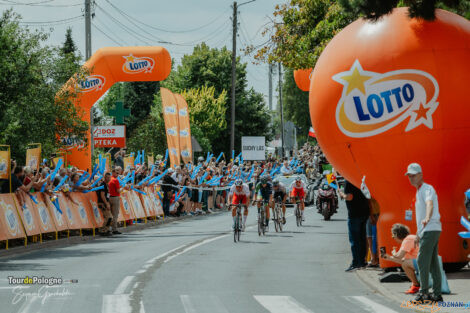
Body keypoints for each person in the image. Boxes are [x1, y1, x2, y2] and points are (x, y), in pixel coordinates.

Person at [405, 163, 442, 303]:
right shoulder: (420, 190)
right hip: (429, 230)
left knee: (421, 260)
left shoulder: (427, 188)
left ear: (421, 175)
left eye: (413, 175)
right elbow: (421, 216)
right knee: (432, 262)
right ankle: (437, 294)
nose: (411, 178)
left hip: (430, 228)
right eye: (409, 176)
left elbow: (429, 204)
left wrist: (427, 217)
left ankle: (424, 293)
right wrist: (418, 234)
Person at [339, 180, 369, 272]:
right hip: (364, 212)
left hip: (354, 214)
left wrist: (342, 194)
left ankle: (356, 262)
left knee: (354, 240)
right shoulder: (359, 179)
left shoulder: (349, 181)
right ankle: (362, 261)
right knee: (362, 238)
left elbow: (350, 197)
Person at [382, 223, 420, 294]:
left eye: (393, 236)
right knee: (405, 263)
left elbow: (399, 256)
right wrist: (390, 258)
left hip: (424, 263)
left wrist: (393, 254)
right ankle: (415, 284)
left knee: (405, 264)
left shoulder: (407, 240)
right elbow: (402, 260)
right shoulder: (411, 237)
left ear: (397, 235)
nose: (394, 239)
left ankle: (416, 285)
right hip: (424, 261)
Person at [108, 167, 123, 234]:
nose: (117, 174)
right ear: (113, 172)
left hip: (109, 198)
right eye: (117, 173)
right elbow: (118, 191)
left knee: (110, 214)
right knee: (115, 215)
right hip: (115, 197)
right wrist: (121, 189)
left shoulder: (109, 179)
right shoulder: (115, 180)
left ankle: (108, 228)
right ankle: (114, 229)